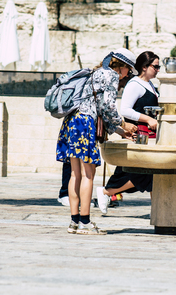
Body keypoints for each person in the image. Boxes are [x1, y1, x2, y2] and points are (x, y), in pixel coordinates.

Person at [56, 48, 138, 235]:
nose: (128, 74)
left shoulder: (96, 73)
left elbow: (98, 109)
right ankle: (85, 221)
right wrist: (124, 124)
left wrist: (118, 131)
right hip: (85, 124)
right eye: (129, 70)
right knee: (88, 175)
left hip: (72, 122)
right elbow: (107, 107)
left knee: (75, 175)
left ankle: (74, 222)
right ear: (123, 66)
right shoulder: (111, 76)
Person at [96, 51, 160, 214]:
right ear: (144, 67)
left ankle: (159, 211)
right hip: (138, 135)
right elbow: (124, 110)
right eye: (156, 66)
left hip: (147, 136)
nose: (158, 69)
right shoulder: (134, 84)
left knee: (153, 174)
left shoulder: (150, 85)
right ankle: (106, 192)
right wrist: (148, 119)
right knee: (141, 174)